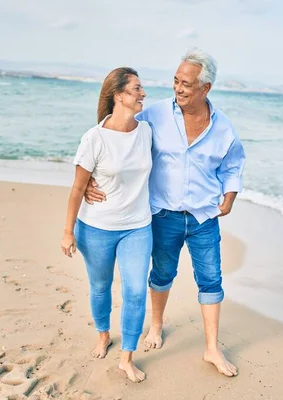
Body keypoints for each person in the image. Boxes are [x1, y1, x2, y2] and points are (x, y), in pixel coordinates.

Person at [85, 48, 245, 377]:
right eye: (175, 81)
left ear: (206, 88)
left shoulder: (223, 128)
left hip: (204, 217)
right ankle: (156, 325)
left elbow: (233, 166)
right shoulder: (155, 114)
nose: (178, 88)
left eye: (186, 84)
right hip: (163, 215)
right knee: (161, 275)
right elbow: (114, 132)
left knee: (211, 279)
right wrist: (89, 177)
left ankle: (212, 349)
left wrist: (230, 196)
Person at [61, 67, 152, 383]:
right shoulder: (94, 138)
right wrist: (67, 231)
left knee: (137, 291)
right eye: (137, 88)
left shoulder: (147, 131)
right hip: (96, 228)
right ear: (119, 95)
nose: (143, 94)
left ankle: (127, 357)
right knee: (100, 286)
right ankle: (103, 334)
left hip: (138, 226)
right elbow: (77, 187)